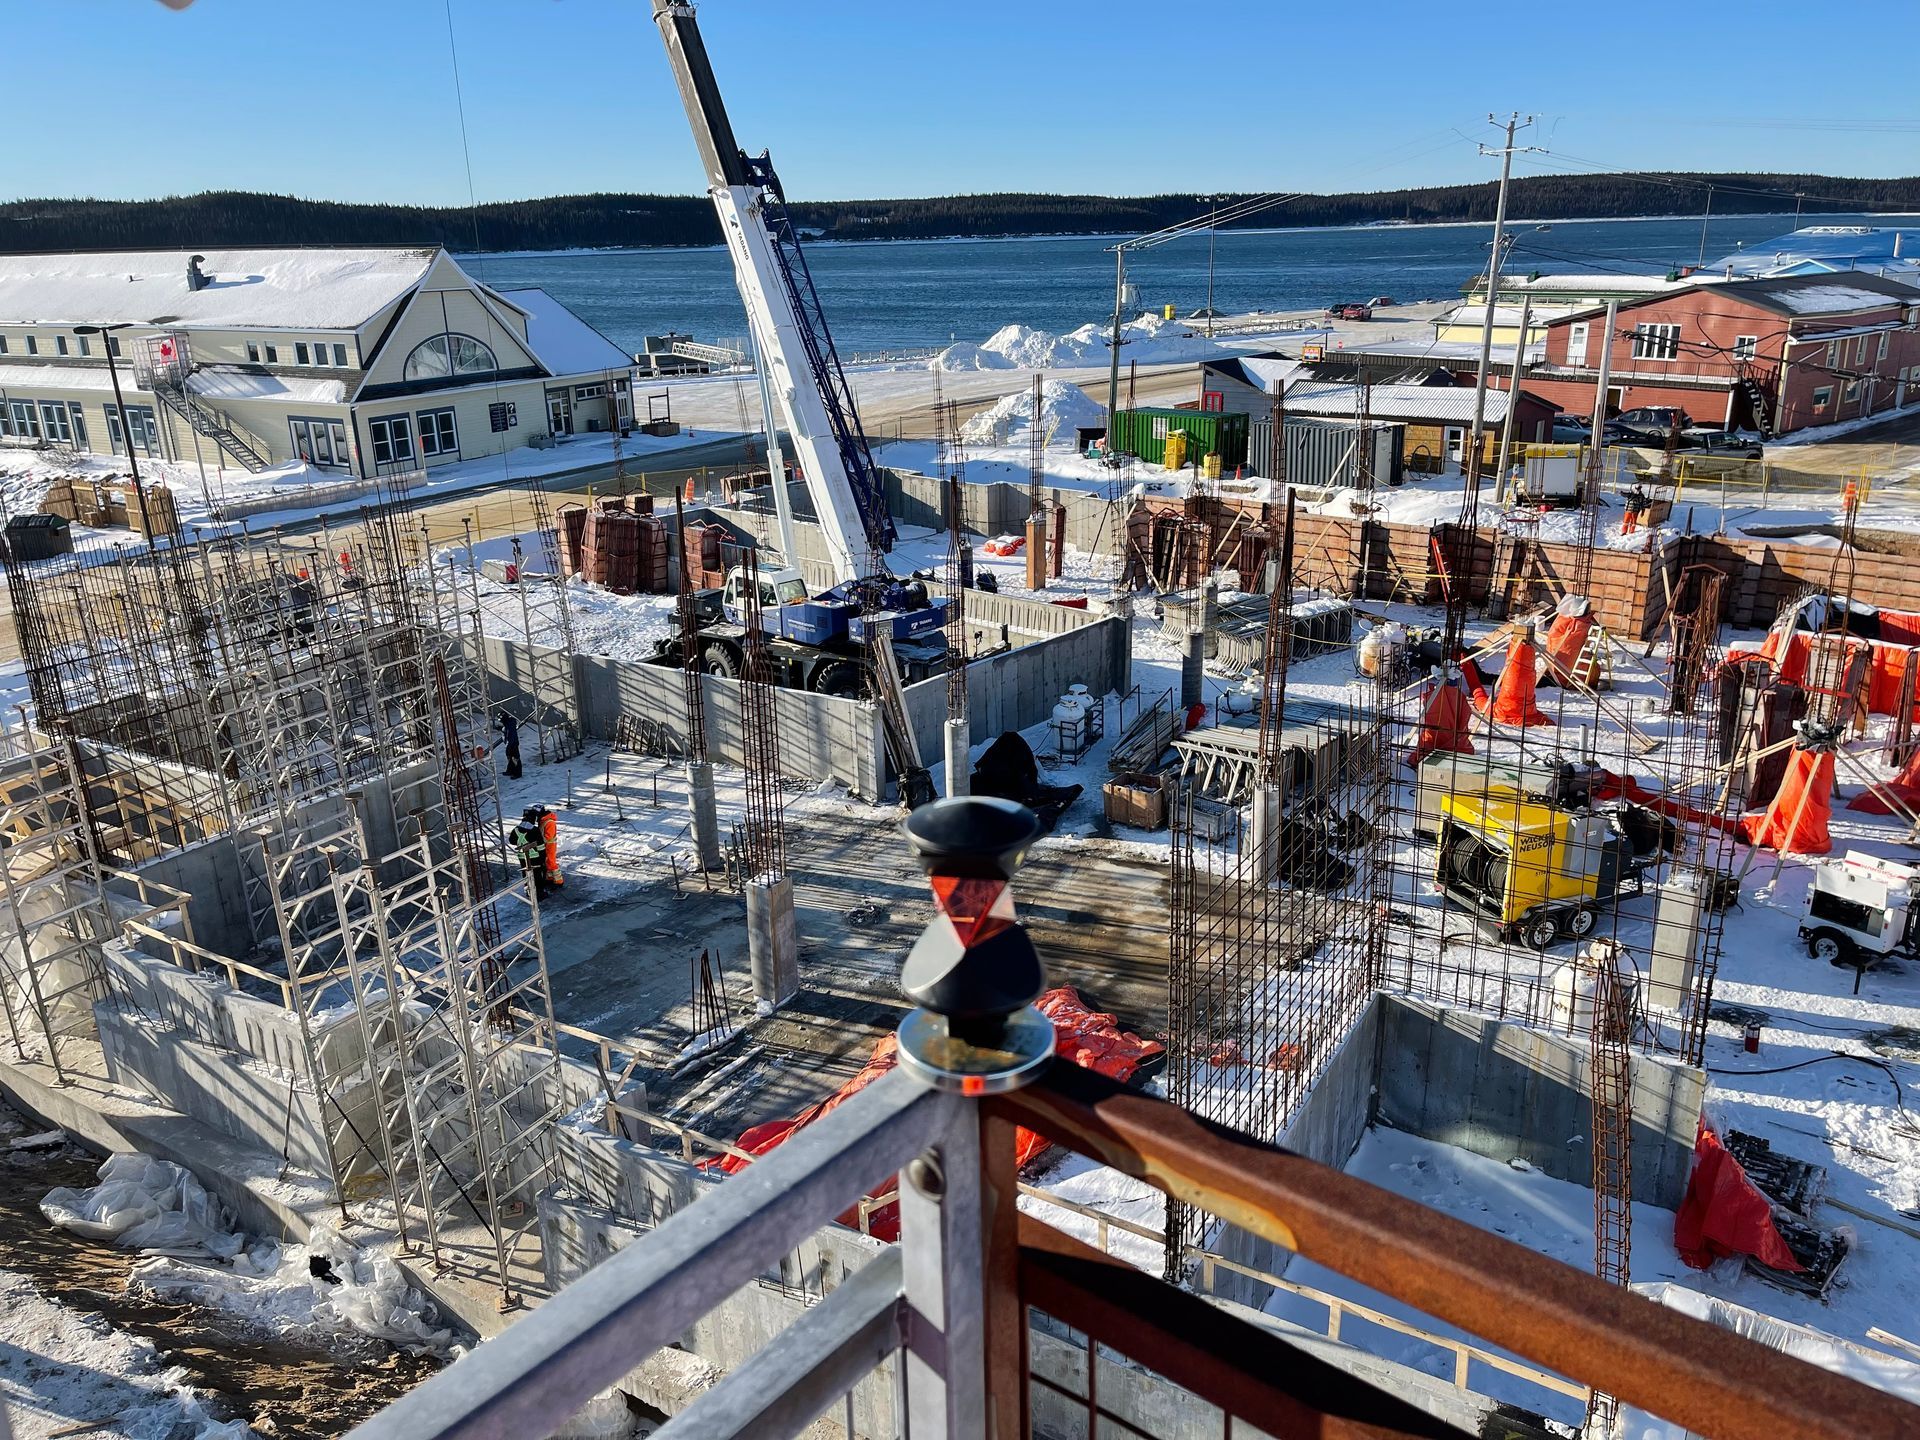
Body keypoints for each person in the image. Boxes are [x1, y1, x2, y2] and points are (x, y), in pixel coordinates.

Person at [499, 709, 522, 780]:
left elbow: (510, 735)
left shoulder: (509, 725)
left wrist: (509, 745)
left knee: (515, 758)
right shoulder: (507, 724)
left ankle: (517, 773)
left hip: (512, 744)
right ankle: (510, 770)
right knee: (510, 758)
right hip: (509, 743)